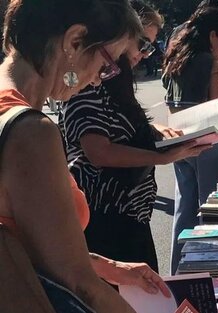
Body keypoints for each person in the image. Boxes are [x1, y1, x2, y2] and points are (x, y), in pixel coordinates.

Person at [0, 0, 171, 311]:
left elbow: (33, 243)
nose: (97, 79)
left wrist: (107, 266)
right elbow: (77, 283)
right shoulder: (29, 132)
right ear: (74, 41)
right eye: (106, 64)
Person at [60, 0, 208, 275]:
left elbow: (126, 125)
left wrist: (159, 132)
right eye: (141, 43)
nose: (144, 54)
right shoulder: (88, 83)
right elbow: (98, 151)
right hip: (105, 221)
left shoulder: (116, 80)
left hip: (130, 216)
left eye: (150, 46)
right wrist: (161, 157)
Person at [163, 7, 218, 275]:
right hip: (207, 139)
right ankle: (208, 271)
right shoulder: (209, 61)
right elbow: (216, 108)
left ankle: (179, 271)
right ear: (213, 35)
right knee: (212, 210)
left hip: (179, 137)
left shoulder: (179, 56)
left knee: (184, 207)